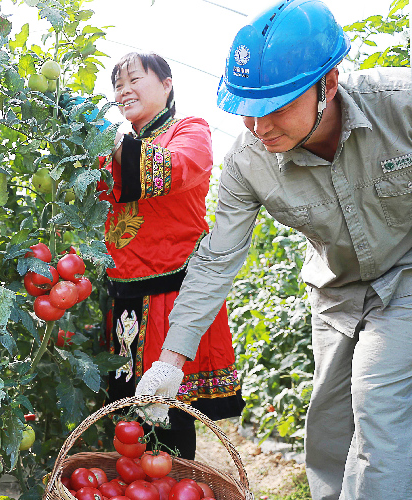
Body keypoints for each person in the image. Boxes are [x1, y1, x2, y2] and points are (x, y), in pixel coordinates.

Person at [135, 1, 412, 499]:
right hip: (336, 293)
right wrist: (170, 360)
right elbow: (218, 257)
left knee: (379, 411)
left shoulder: (401, 104)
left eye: (277, 107)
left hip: (407, 275)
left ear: (327, 85)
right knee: (329, 430)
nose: (259, 127)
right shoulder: (248, 163)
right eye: (246, 110)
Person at [97, 52, 244, 459]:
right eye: (118, 84)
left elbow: (178, 167)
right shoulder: (112, 148)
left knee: (169, 420)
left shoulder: (188, 129)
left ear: (166, 84)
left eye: (134, 80)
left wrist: (111, 146)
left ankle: (174, 484)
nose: (123, 90)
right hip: (124, 294)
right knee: (127, 419)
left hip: (173, 295)